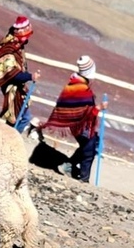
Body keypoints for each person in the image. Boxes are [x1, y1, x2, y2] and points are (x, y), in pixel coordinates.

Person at [40, 55, 105, 183]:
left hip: (76, 125)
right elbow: (85, 113)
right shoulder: (82, 89)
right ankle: (84, 180)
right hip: (82, 125)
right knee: (88, 152)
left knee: (88, 146)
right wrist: (99, 107)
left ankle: (68, 166)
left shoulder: (73, 84)